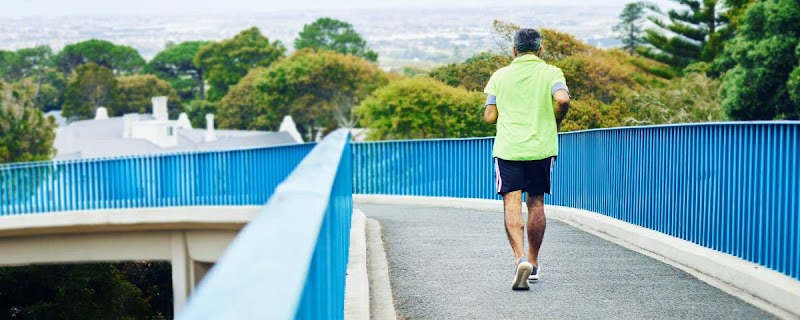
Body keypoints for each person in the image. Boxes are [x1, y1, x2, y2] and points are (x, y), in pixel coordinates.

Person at [483, 28, 571, 290]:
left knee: (512, 202)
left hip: (509, 148)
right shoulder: (551, 72)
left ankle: (519, 258)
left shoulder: (500, 76)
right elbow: (563, 99)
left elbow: (489, 116)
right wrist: (555, 119)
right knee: (535, 202)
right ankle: (533, 263)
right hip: (541, 147)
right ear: (540, 49)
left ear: (514, 50)